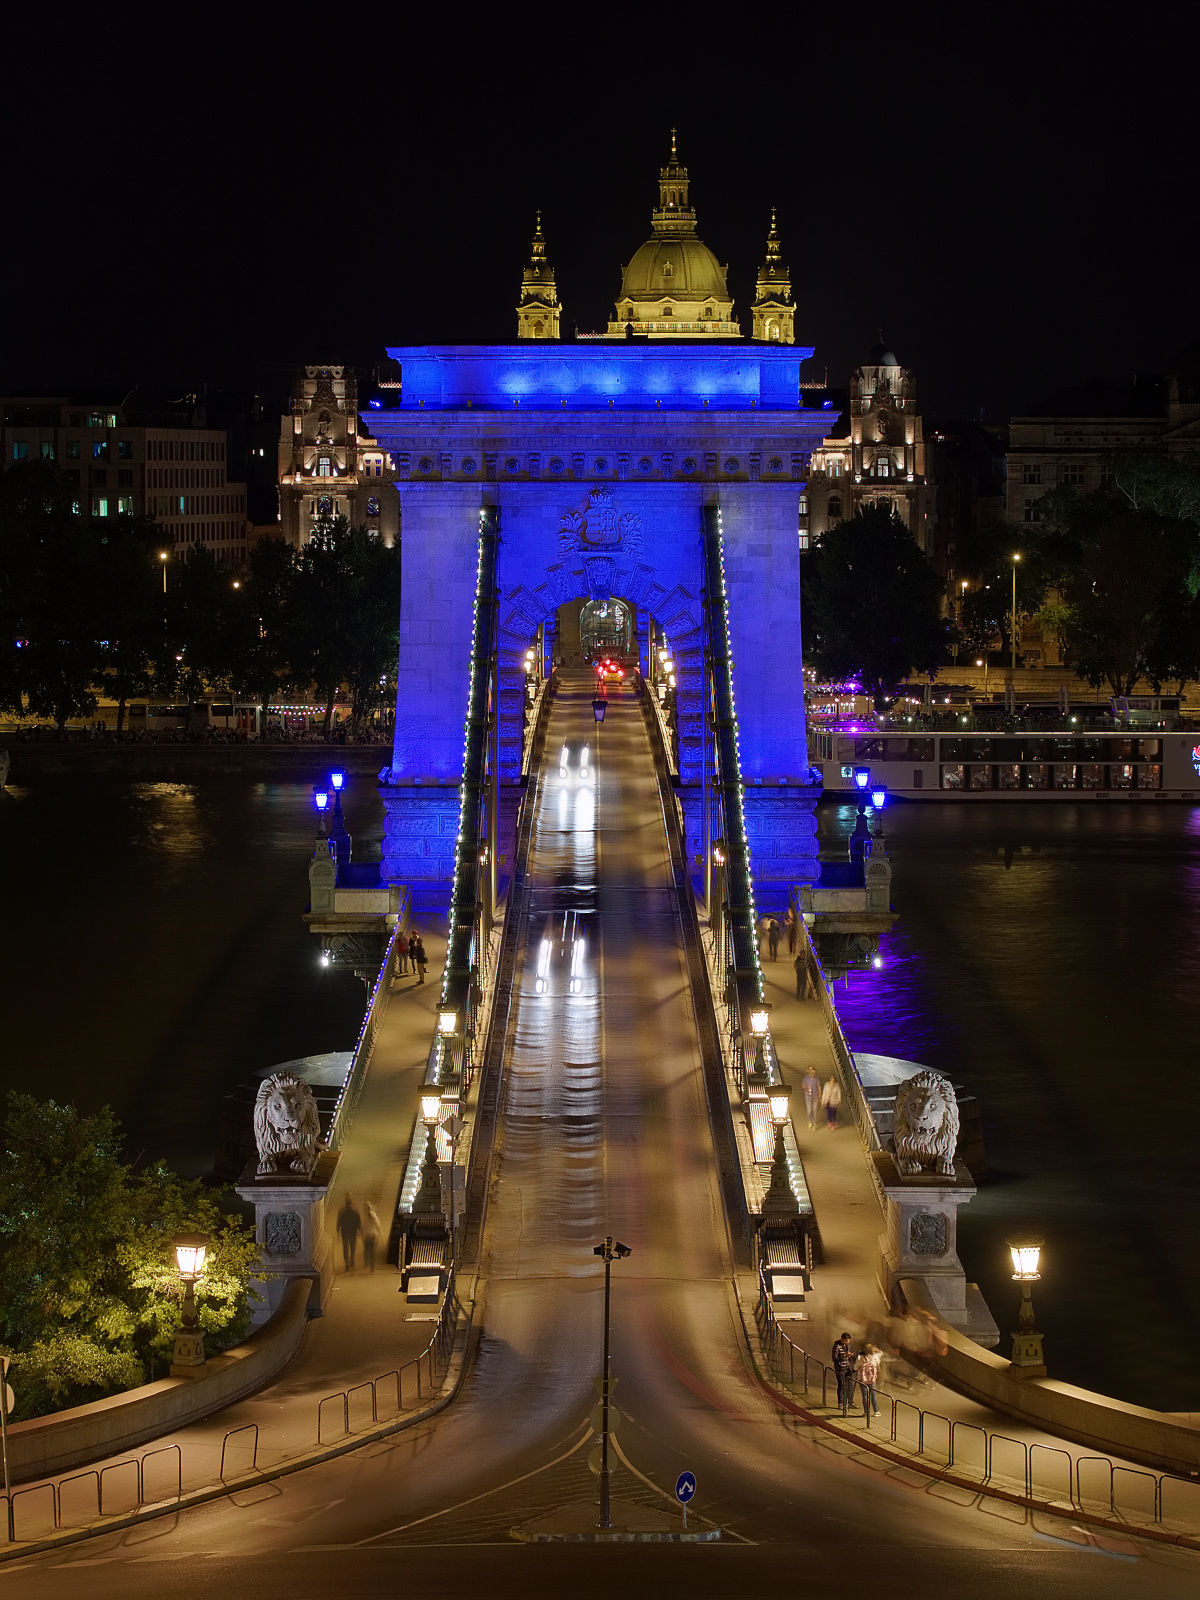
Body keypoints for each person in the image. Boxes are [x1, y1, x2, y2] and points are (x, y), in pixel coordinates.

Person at [832, 1332, 856, 1416]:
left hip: (847, 1368)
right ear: (842, 1339)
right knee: (841, 1385)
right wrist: (844, 1356)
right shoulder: (836, 1346)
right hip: (840, 1369)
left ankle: (850, 1402)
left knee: (850, 1385)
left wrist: (850, 1356)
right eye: (845, 1341)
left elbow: (848, 1355)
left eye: (848, 1341)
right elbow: (834, 1358)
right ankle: (840, 1403)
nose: (847, 1343)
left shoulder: (848, 1346)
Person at [855, 1342, 882, 1419]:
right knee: (873, 1395)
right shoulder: (875, 1357)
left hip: (862, 1379)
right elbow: (878, 1362)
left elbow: (855, 1367)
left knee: (864, 1395)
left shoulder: (860, 1357)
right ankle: (876, 1411)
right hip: (872, 1378)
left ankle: (866, 1412)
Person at [336, 1195, 361, 1271]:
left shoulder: (343, 1211)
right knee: (350, 1247)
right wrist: (359, 1230)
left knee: (347, 1248)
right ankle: (349, 1263)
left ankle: (349, 1263)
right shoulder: (355, 1211)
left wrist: (338, 1229)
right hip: (351, 1232)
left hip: (346, 1232)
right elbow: (358, 1221)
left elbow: (339, 1221)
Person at [362, 1200, 382, 1272]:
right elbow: (378, 1224)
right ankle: (372, 1267)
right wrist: (380, 1234)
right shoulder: (373, 1215)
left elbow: (362, 1226)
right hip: (373, 1235)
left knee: (366, 1250)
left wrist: (362, 1233)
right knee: (372, 1252)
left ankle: (366, 1264)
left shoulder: (364, 1216)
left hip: (367, 1236)